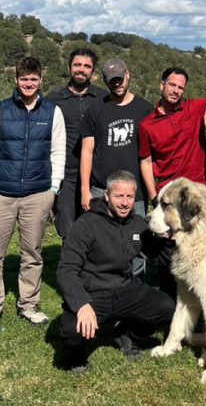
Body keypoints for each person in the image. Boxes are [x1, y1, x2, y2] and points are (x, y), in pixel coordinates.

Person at [0, 56, 66, 334]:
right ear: (16, 80)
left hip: (38, 195)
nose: (29, 83)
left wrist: (53, 188)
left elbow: (58, 151)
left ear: (40, 81)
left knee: (33, 254)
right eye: (24, 78)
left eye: (33, 79)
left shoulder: (52, 112)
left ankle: (29, 304)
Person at [56, 170, 175, 373]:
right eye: (119, 196)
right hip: (92, 292)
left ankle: (128, 335)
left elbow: (159, 257)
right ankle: (76, 354)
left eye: (129, 197)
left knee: (166, 307)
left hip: (125, 287)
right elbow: (66, 270)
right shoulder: (86, 225)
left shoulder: (137, 224)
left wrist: (169, 241)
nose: (124, 203)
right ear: (106, 195)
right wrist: (82, 304)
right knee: (72, 330)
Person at [137, 67, 206, 299]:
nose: (176, 91)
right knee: (170, 255)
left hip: (197, 198)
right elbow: (146, 162)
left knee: (201, 255)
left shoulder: (193, 108)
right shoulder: (147, 125)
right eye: (172, 85)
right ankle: (168, 307)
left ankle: (200, 311)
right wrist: (154, 196)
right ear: (162, 85)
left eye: (180, 87)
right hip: (168, 198)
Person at [79, 58, 153, 278]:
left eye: (120, 79)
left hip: (135, 192)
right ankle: (102, 286)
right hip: (101, 189)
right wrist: (85, 189)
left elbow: (150, 154)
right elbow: (86, 151)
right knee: (100, 241)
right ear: (105, 81)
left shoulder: (144, 109)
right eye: (112, 81)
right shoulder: (96, 110)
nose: (117, 84)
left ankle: (137, 288)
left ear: (128, 75)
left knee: (137, 241)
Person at [46, 48, 108, 241]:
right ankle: (70, 270)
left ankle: (93, 271)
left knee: (97, 230)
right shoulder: (52, 100)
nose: (82, 69)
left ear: (93, 71)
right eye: (77, 65)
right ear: (69, 67)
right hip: (66, 178)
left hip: (97, 178)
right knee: (69, 231)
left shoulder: (104, 99)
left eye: (87, 66)